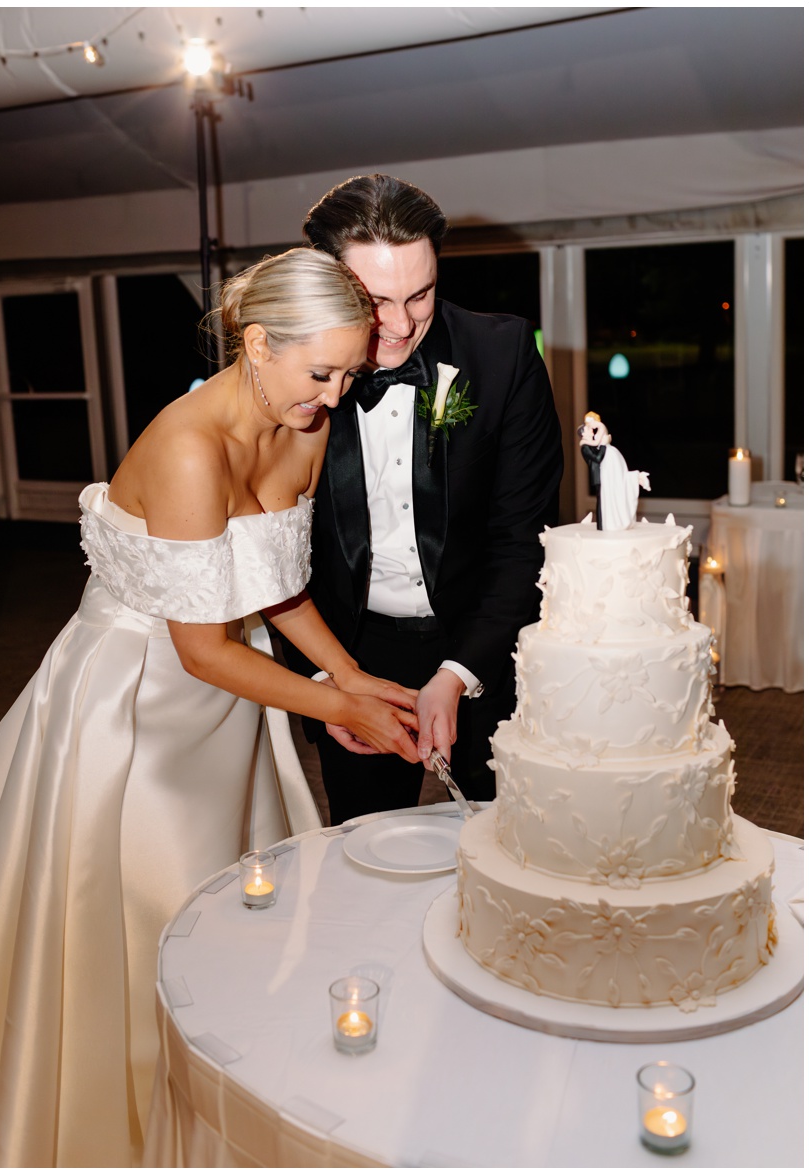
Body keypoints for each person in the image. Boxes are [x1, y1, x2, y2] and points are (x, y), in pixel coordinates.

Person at [0, 248, 421, 1166]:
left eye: (349, 373)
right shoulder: (187, 445)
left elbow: (270, 585)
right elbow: (200, 646)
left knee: (239, 919)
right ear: (256, 342)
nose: (331, 395)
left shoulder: (305, 422)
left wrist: (348, 676)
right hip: (134, 709)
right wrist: (332, 707)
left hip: (232, 698)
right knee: (137, 917)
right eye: (319, 371)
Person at [291, 174, 563, 823]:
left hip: (483, 642)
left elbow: (522, 538)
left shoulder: (502, 357)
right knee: (366, 853)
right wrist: (329, 687)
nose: (403, 323)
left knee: (510, 850)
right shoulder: (288, 372)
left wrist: (460, 671)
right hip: (348, 653)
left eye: (421, 294)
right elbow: (273, 549)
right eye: (376, 300)